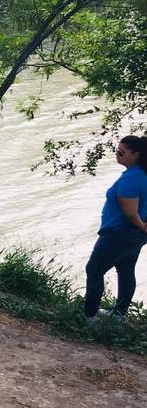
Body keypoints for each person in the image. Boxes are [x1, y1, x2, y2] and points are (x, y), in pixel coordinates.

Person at [83, 135, 147, 321]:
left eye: (121, 152)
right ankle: (119, 314)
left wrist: (142, 225)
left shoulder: (131, 179)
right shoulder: (143, 174)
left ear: (136, 155)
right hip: (136, 235)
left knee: (94, 269)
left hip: (120, 233)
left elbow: (130, 213)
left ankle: (89, 315)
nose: (117, 155)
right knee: (126, 270)